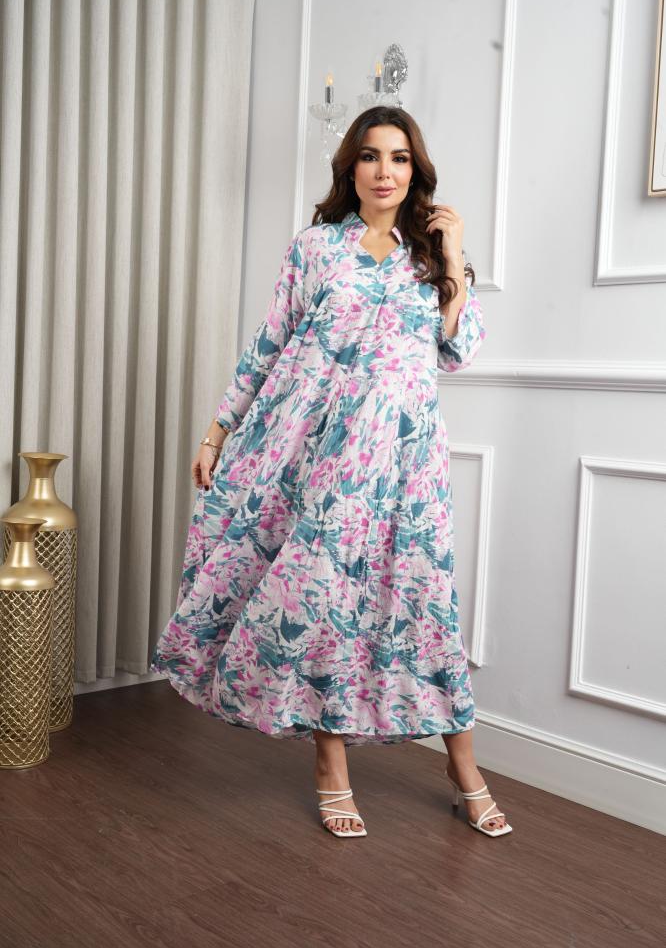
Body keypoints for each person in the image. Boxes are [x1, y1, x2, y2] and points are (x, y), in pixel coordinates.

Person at [150, 106, 512, 840]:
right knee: (323, 602)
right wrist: (218, 431)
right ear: (351, 166)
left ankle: (464, 768)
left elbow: (458, 351)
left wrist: (451, 257)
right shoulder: (316, 248)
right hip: (313, 450)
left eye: (400, 158)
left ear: (415, 170)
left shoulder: (431, 257)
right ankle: (330, 765)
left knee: (423, 603)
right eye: (372, 156)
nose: (385, 171)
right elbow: (269, 342)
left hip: (405, 460)